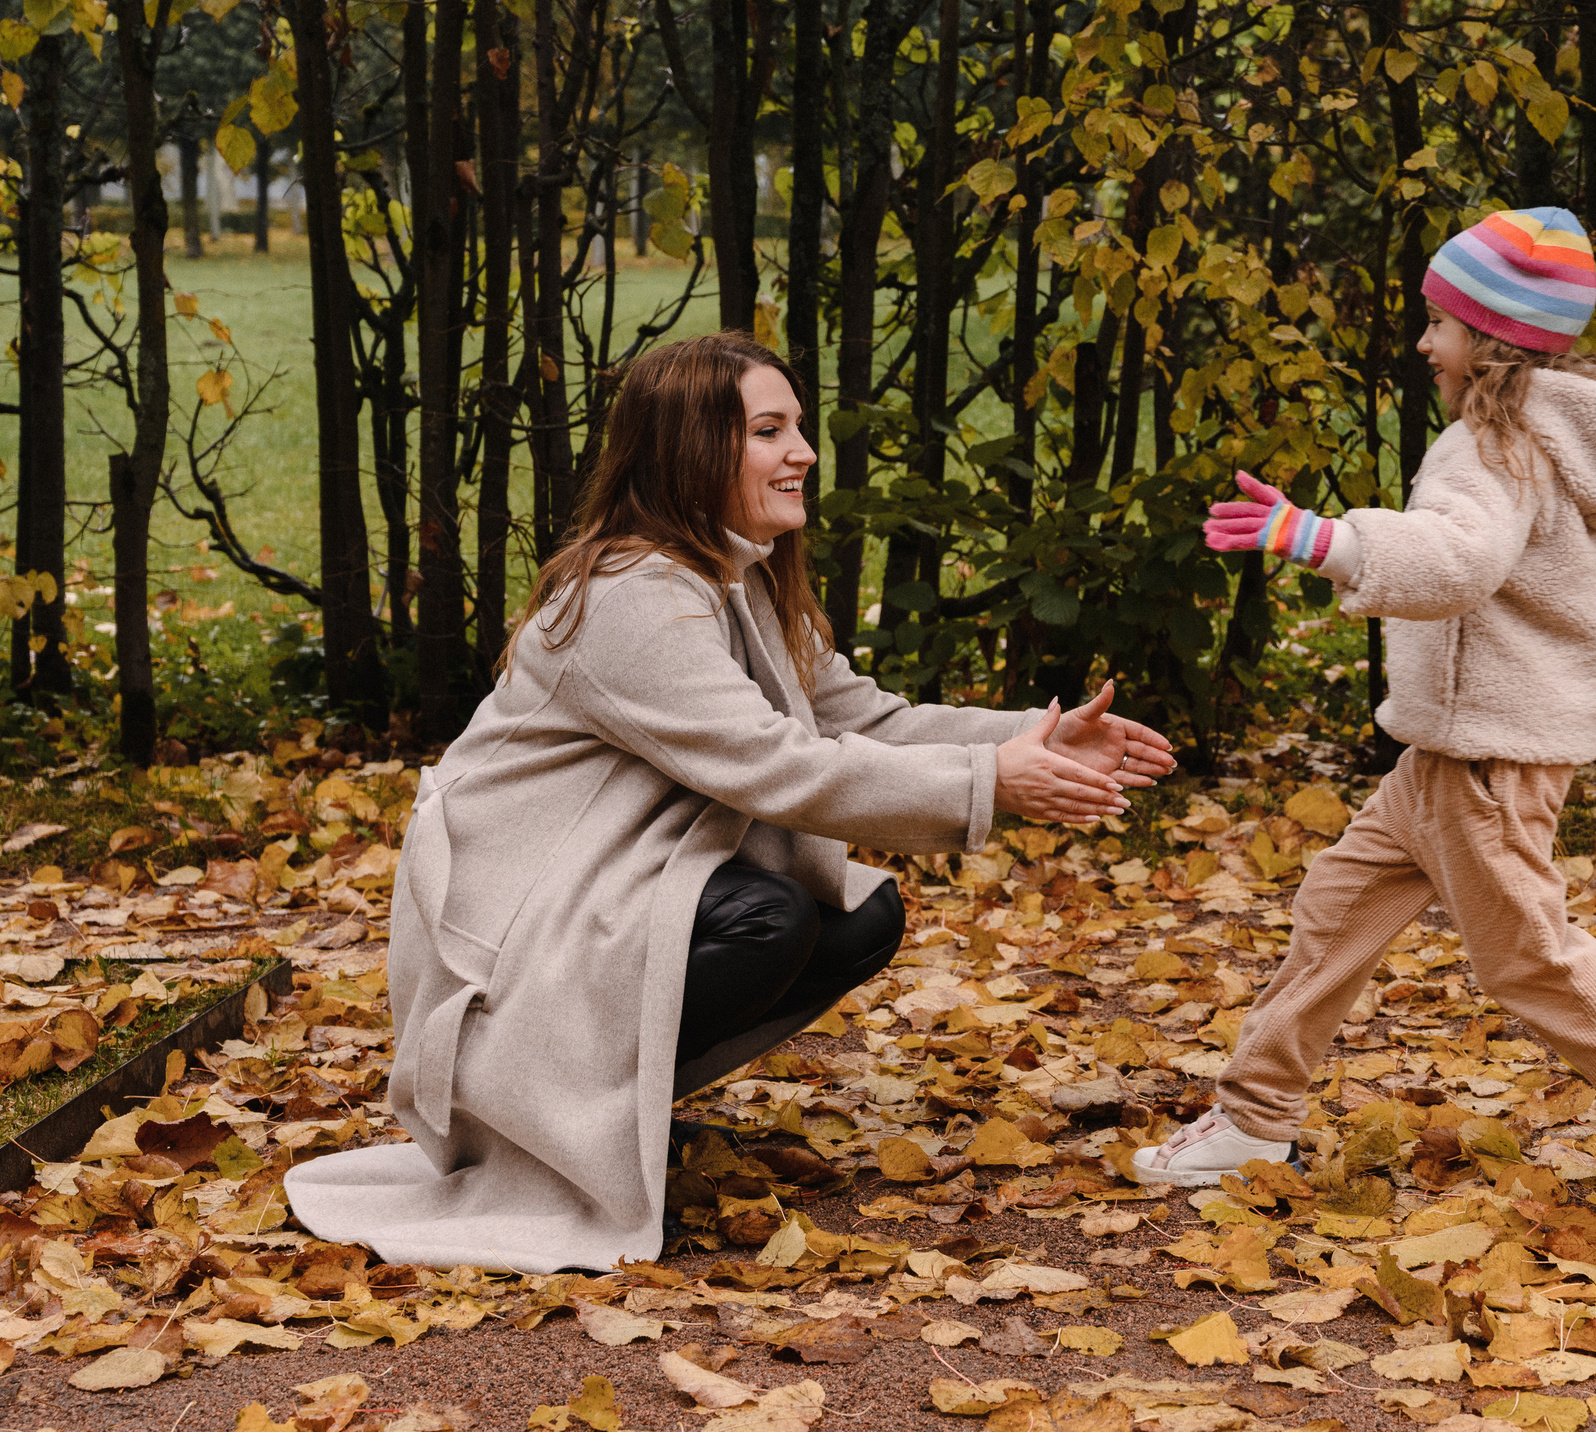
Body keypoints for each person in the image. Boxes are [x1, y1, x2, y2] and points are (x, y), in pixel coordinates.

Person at [286, 332, 1174, 1271]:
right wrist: (992, 784)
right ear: (690, 451)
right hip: (509, 933)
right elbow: (779, 767)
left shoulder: (734, 578)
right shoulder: (633, 596)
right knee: (772, 918)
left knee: (855, 914)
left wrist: (1023, 737)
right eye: (769, 431)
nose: (803, 453)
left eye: (799, 427)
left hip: (598, 897)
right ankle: (541, 1125)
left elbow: (861, 716)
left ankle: (597, 1118)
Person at [1135, 207, 1596, 1227]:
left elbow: (1455, 562)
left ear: (1494, 341)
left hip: (1490, 761)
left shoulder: (1489, 448)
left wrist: (1322, 539)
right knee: (1333, 914)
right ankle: (1254, 1117)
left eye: (1441, 324)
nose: (1425, 342)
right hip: (1442, 758)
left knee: (1525, 955)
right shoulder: (1569, 446)